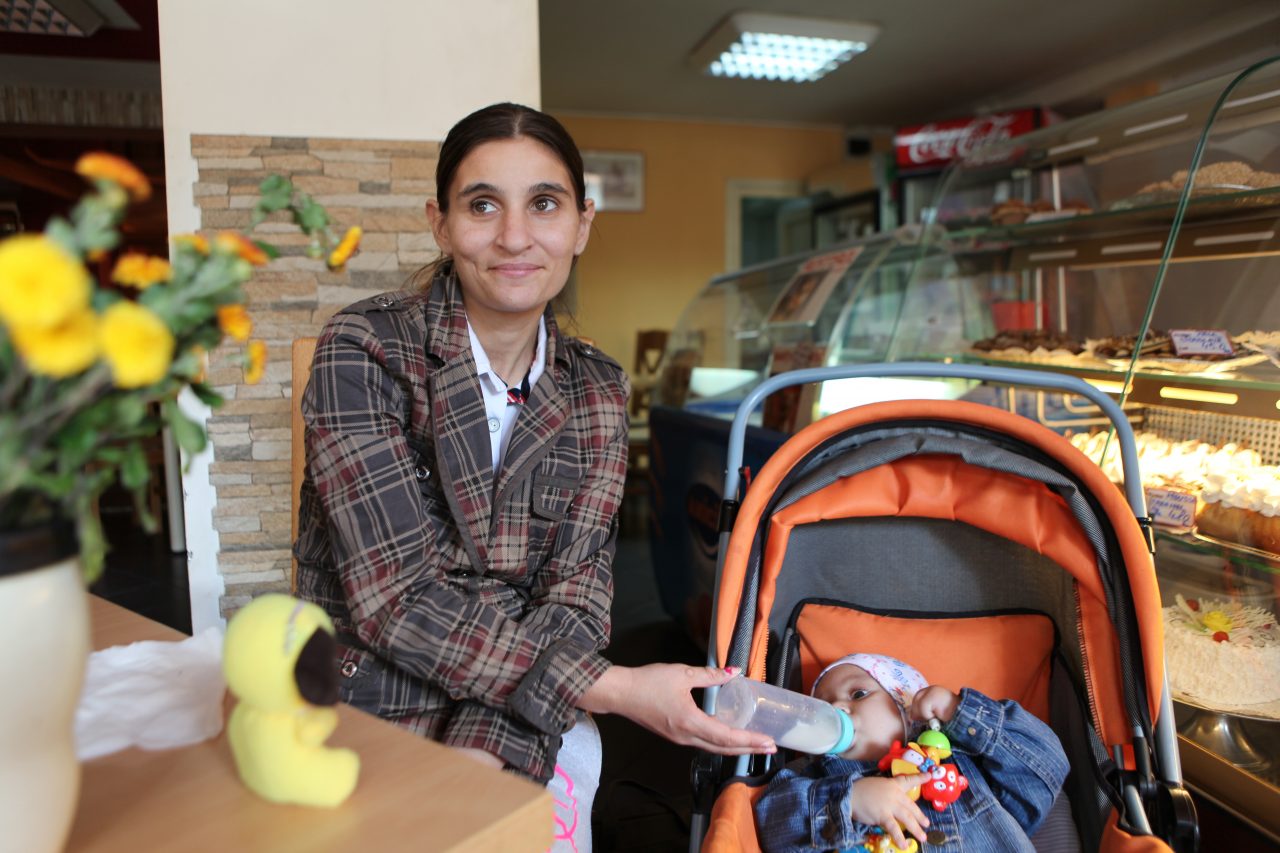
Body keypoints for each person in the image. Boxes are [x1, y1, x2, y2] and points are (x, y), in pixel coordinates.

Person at [293, 103, 772, 851]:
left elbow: (574, 596)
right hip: (367, 700)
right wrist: (614, 688)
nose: (515, 236)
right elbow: (395, 603)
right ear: (441, 223)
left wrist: (481, 756)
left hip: (520, 714)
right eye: (483, 204)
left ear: (581, 224)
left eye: (544, 203)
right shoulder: (365, 350)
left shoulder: (598, 391)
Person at [754, 653, 1072, 853]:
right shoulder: (809, 777)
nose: (836, 708)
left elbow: (1046, 767)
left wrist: (958, 711)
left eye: (858, 693)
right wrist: (849, 801)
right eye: (823, 707)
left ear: (908, 710)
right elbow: (771, 826)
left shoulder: (964, 761)